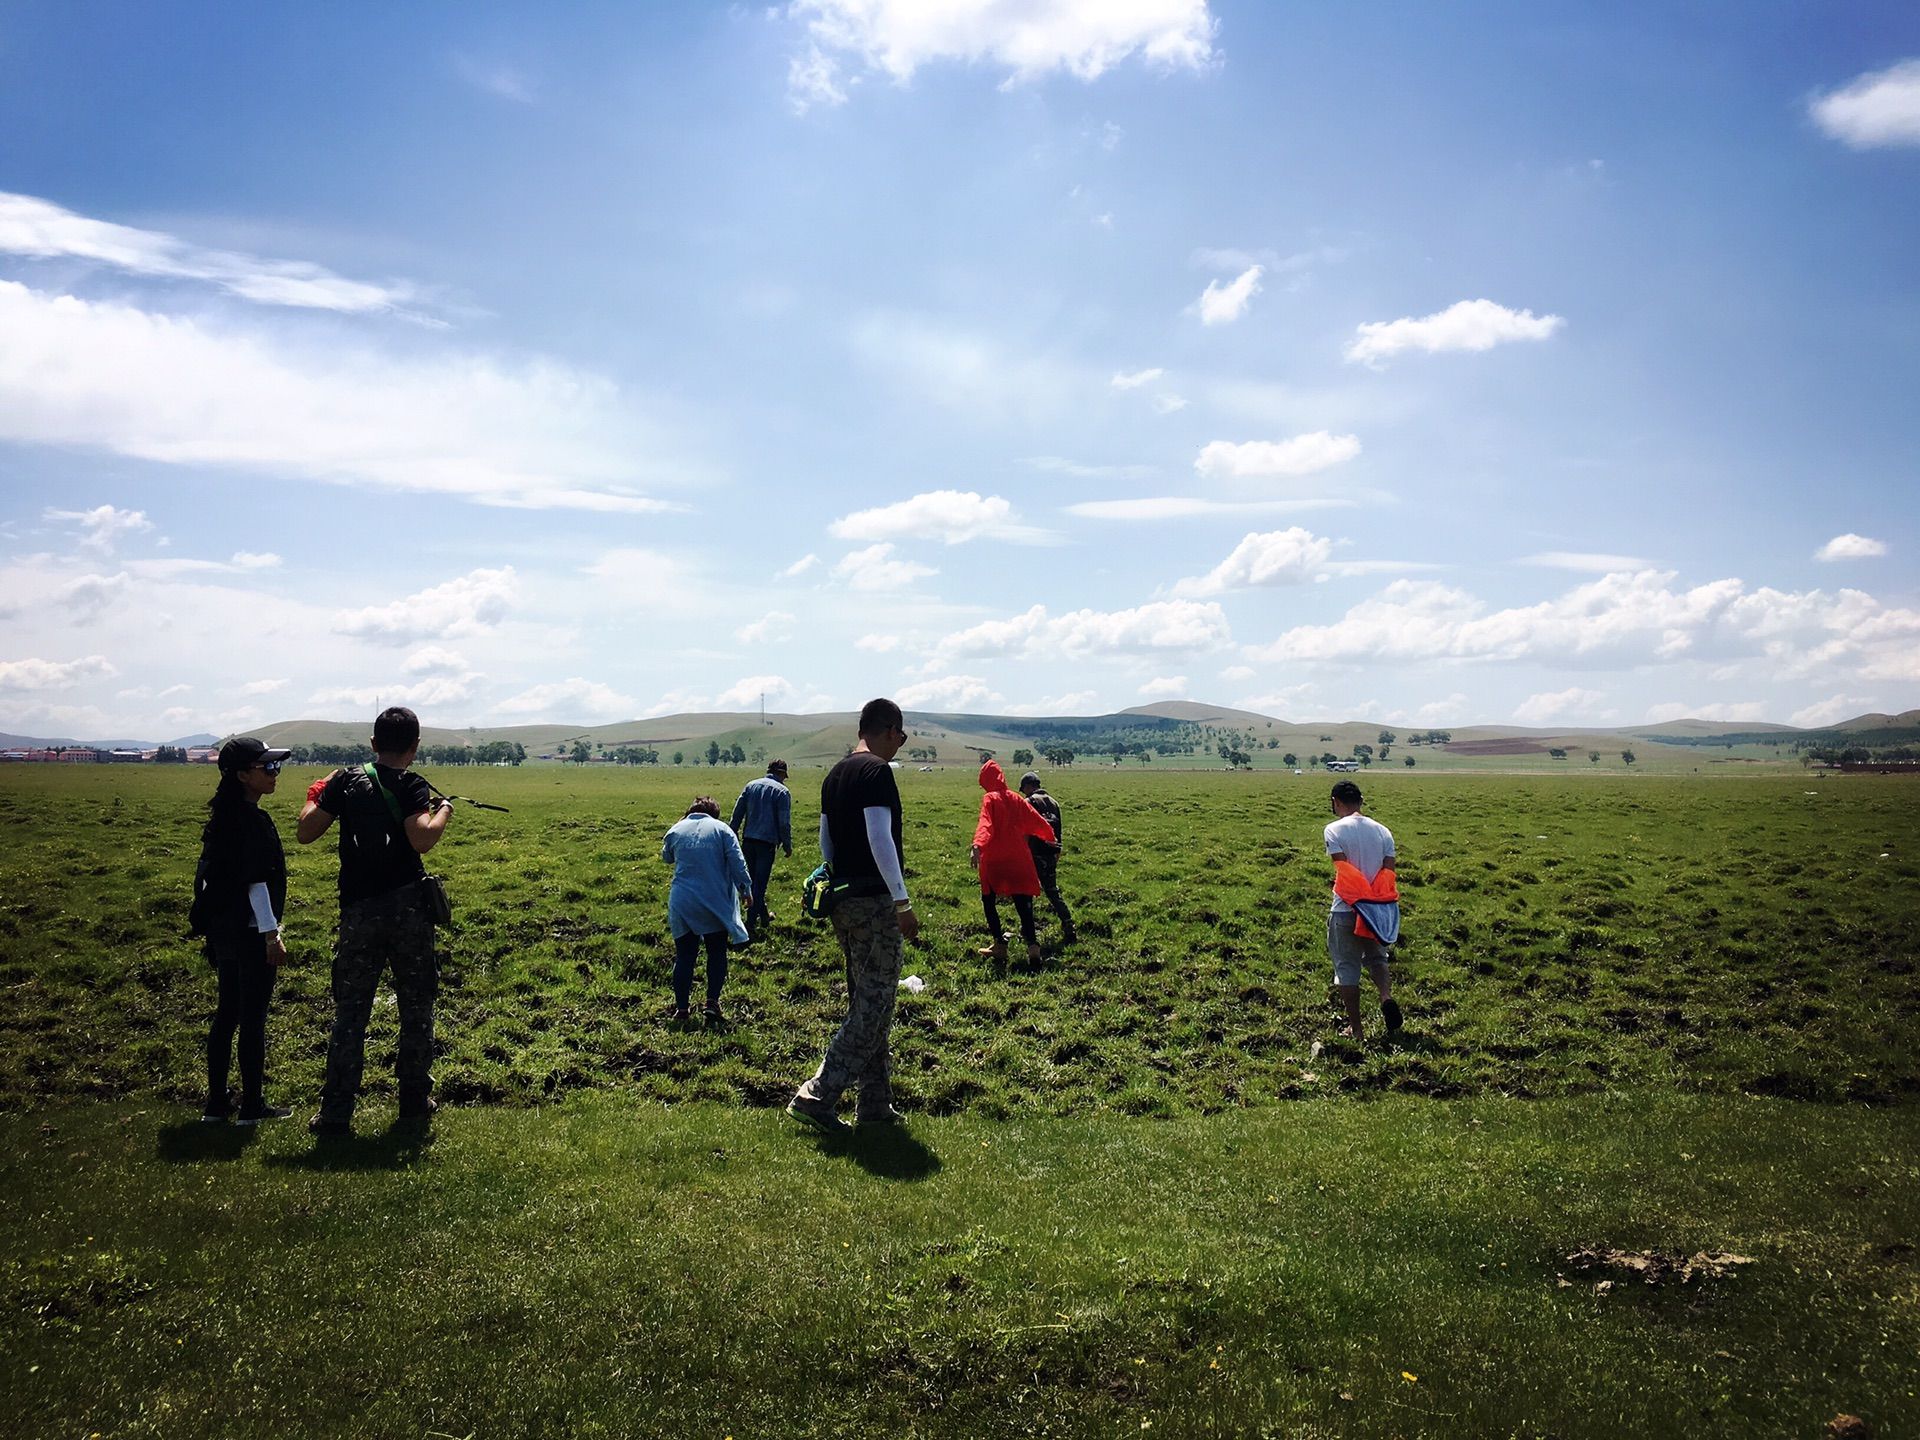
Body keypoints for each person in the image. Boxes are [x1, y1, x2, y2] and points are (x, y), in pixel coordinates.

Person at [296, 706, 452, 1135]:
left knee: (350, 1012)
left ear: (373, 744)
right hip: (407, 912)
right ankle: (414, 1108)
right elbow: (421, 838)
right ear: (415, 746)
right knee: (416, 1009)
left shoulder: (344, 781)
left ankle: (335, 1113)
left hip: (358, 911)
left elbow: (306, 832)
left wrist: (316, 794)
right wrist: (443, 812)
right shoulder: (412, 785)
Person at [786, 698, 918, 1133]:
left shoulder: (836, 773)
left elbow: (826, 841)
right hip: (876, 901)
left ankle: (875, 1104)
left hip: (844, 900)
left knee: (869, 1000)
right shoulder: (876, 771)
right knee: (874, 1001)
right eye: (900, 735)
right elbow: (879, 836)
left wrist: (841, 881)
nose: (900, 744)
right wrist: (902, 901)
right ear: (887, 730)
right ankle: (818, 1095)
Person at [189, 737, 294, 1124]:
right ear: (241, 775)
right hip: (250, 932)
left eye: (275, 766)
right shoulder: (252, 821)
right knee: (252, 1018)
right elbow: (257, 883)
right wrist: (271, 933)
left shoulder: (222, 818)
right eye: (267, 767)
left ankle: (217, 1105)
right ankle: (252, 1106)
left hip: (223, 930)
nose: (274, 774)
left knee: (226, 1014)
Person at [663, 796, 753, 1023]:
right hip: (713, 899)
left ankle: (682, 1010)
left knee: (684, 954)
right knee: (716, 950)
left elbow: (667, 857)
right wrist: (745, 889)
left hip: (682, 900)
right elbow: (737, 861)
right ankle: (712, 1002)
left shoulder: (676, 829)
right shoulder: (722, 830)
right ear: (714, 813)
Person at [1324, 779, 1402, 1041]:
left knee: (1347, 967)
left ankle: (1356, 1030)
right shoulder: (1384, 832)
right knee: (1377, 958)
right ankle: (1385, 996)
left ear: (1336, 802)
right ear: (1361, 801)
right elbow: (1387, 871)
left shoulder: (1333, 830)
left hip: (1346, 908)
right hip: (1377, 910)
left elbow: (1343, 869)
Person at [971, 760, 1061, 967]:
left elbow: (986, 824)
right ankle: (1033, 947)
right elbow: (1036, 821)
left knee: (988, 900)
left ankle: (999, 945)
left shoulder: (990, 799)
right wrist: (1049, 835)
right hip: (1020, 860)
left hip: (995, 862)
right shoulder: (1017, 799)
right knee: (1024, 904)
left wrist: (978, 844)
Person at [729, 759, 792, 939]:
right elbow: (784, 823)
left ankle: (764, 917)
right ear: (782, 774)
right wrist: (787, 845)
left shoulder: (750, 786)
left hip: (748, 840)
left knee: (751, 881)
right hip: (767, 843)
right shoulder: (782, 792)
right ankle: (750, 924)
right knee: (760, 884)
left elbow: (737, 814)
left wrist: (730, 837)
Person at [1018, 770, 1077, 946]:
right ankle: (1068, 924)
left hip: (1034, 853)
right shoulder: (1054, 803)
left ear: (1028, 787)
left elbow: (1025, 831)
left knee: (1026, 892)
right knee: (1052, 891)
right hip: (1051, 853)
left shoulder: (1028, 802)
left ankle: (1027, 929)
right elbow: (1058, 830)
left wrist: (1022, 852)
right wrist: (1057, 851)